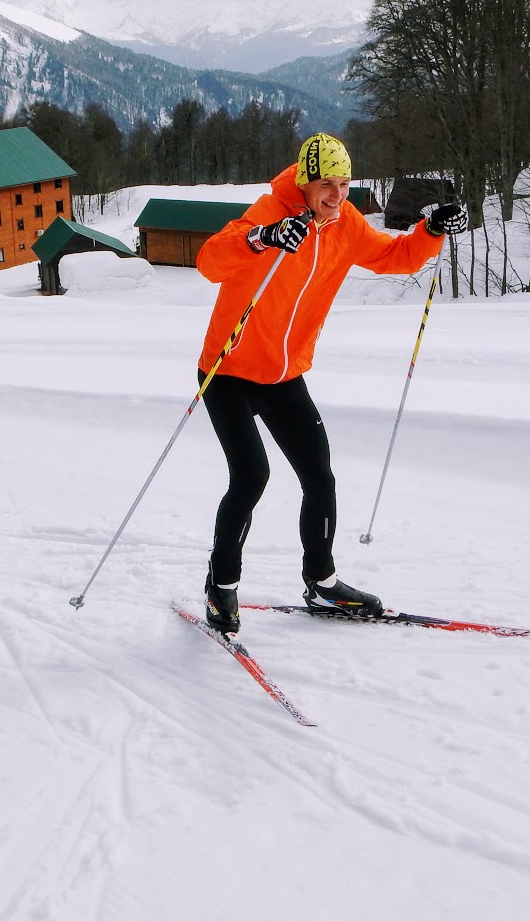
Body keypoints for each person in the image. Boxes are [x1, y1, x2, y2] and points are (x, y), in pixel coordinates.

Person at [194, 133, 466, 634]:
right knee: (252, 476)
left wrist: (431, 229)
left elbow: (395, 257)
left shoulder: (346, 223)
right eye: (326, 184)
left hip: (285, 374)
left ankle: (322, 584)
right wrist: (263, 238)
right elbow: (211, 261)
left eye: (344, 184)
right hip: (227, 371)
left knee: (319, 476)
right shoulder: (269, 212)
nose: (336, 195)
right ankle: (220, 589)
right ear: (304, 180)